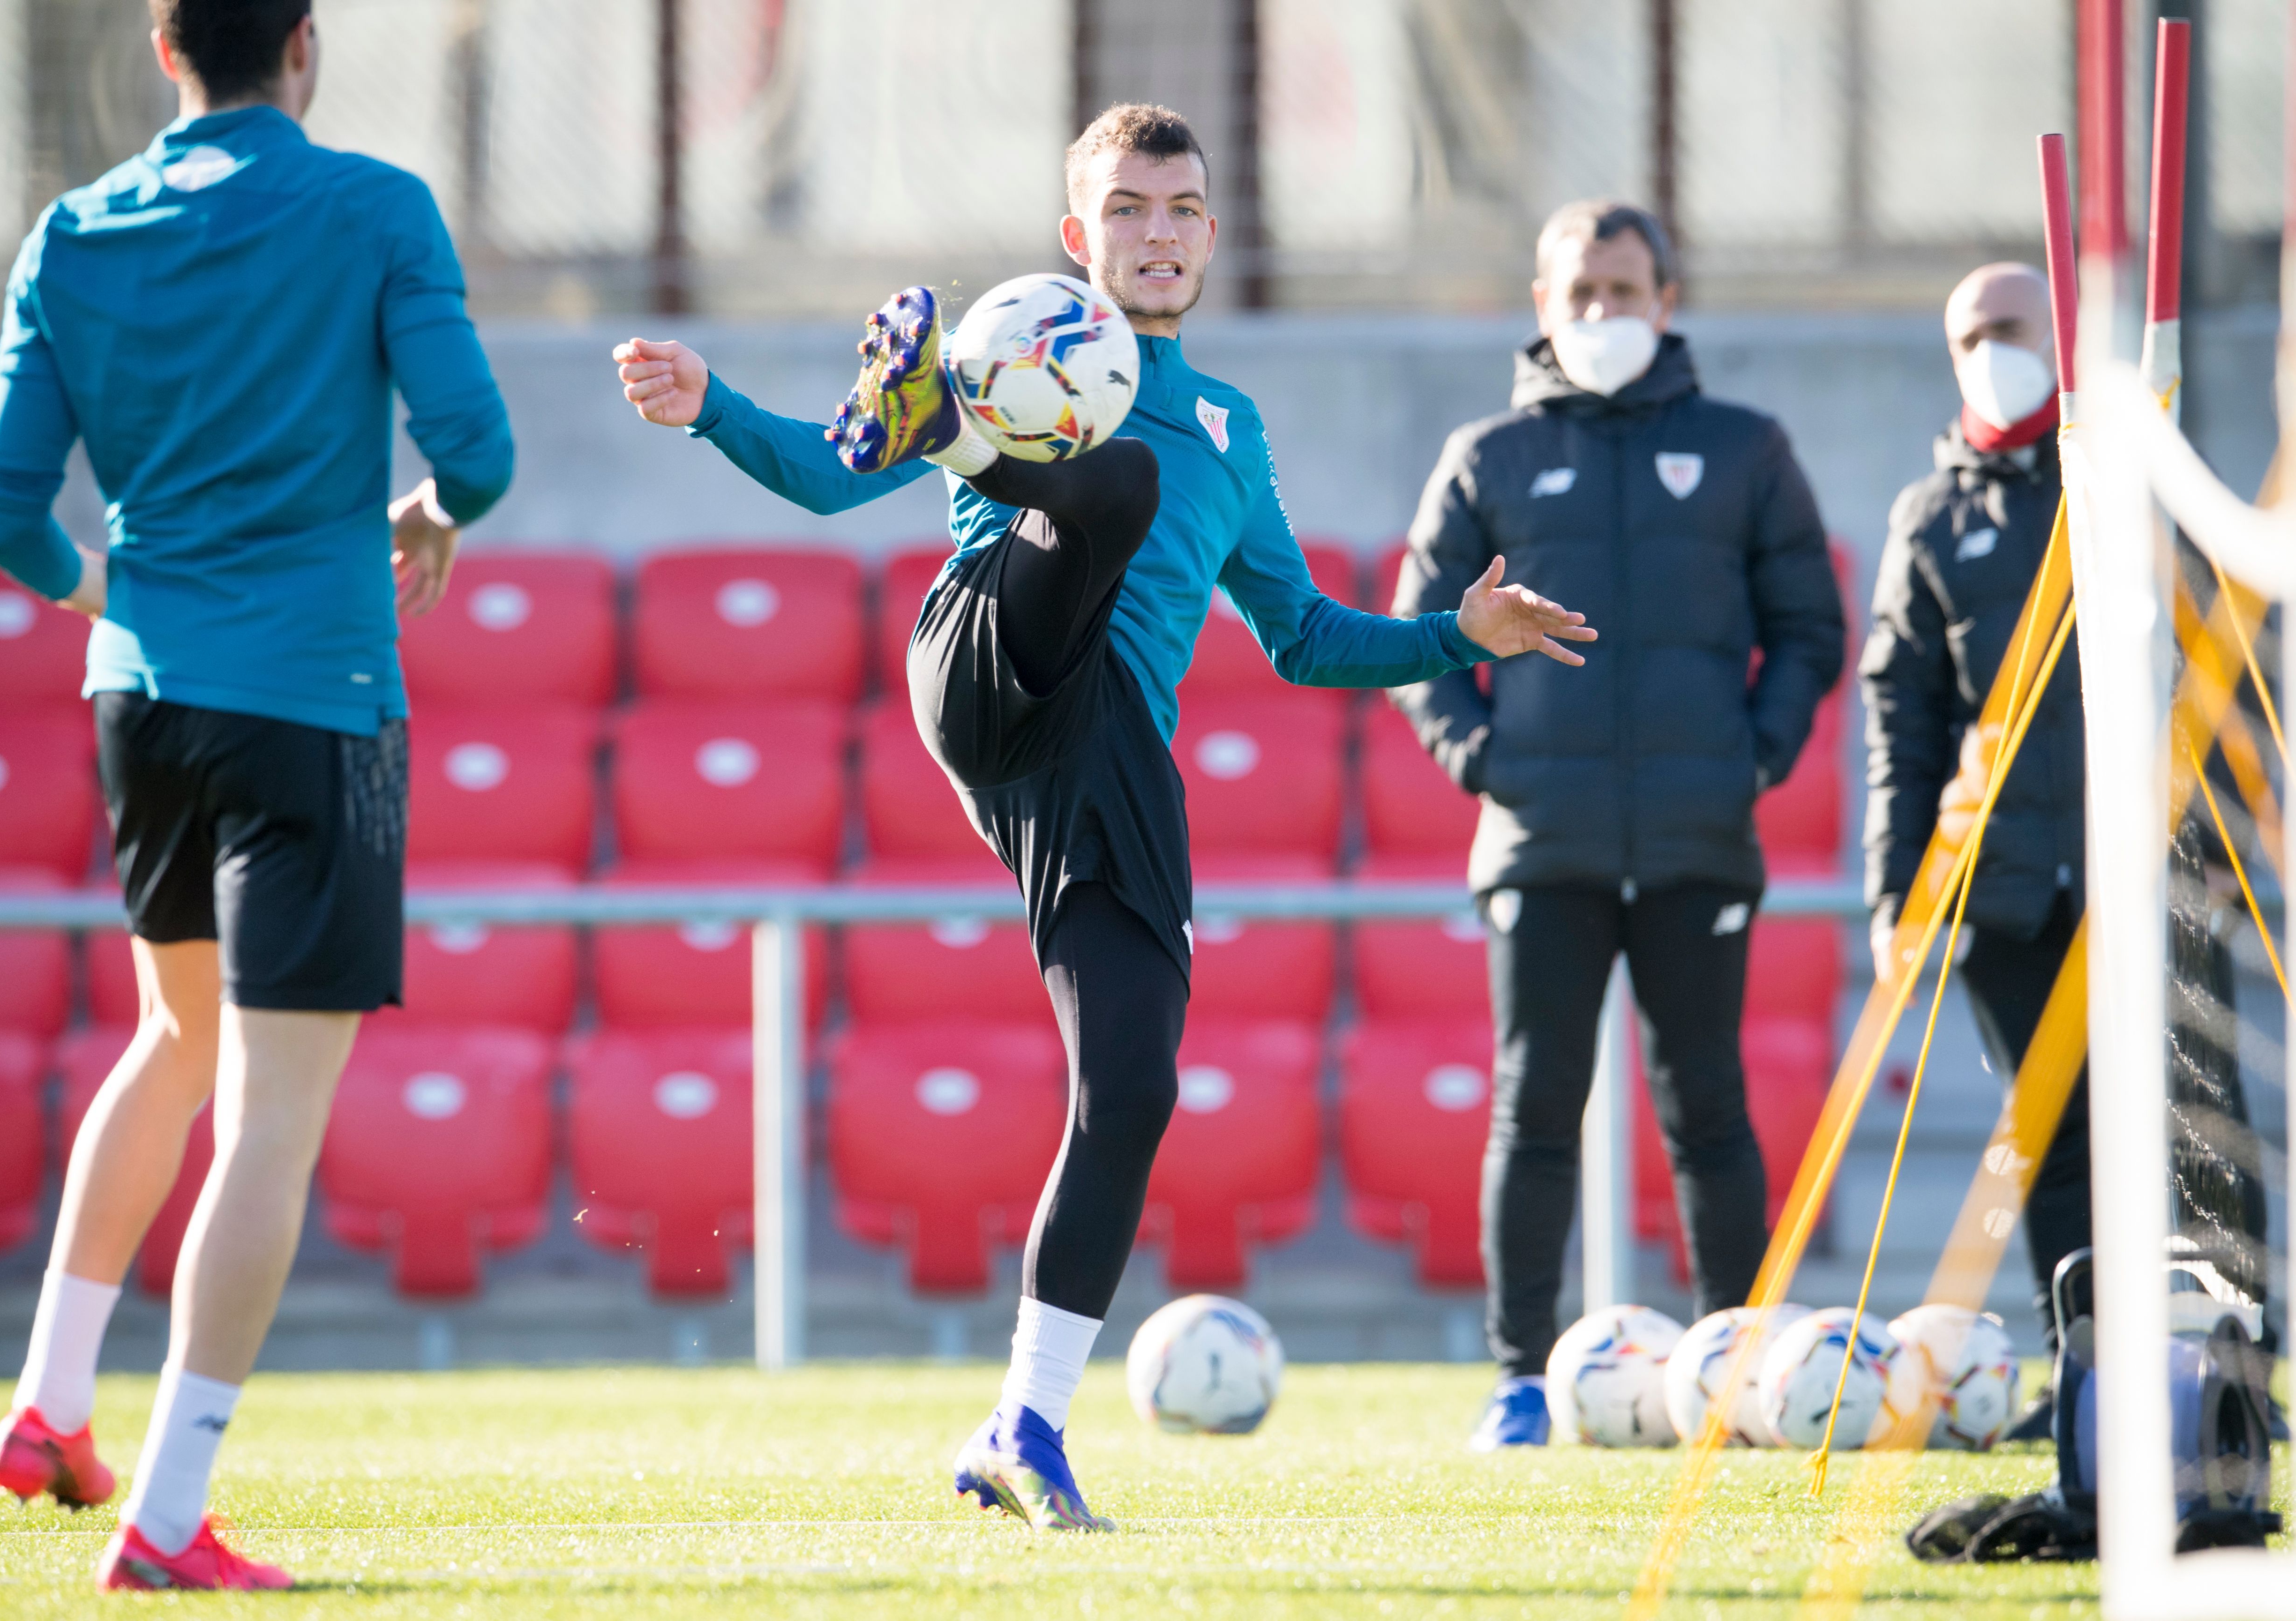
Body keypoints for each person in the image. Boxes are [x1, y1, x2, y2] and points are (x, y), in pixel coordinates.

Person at [615, 102, 1594, 1529]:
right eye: (1127, 209)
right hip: (988, 650)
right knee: (1111, 483)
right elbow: (832, 473)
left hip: (1102, 755)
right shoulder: (1012, 338)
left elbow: (1306, 637)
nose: (1157, 232)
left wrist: (1459, 630)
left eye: (1182, 209)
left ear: (1208, 232)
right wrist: (709, 404)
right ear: (1079, 238)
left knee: (1131, 1087)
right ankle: (958, 448)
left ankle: (1023, 1422)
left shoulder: (1228, 425)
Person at [0, 0, 512, 1590]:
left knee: (173, 1042)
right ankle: (164, 1513)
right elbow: (476, 455)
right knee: (272, 1117)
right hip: (313, 699)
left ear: (163, 48)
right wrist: (421, 510)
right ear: (308, 45)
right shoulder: (373, 208)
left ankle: (47, 1413)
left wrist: (106, 597)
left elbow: (7, 517)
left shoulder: (70, 231)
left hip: (142, 698)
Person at [1389, 200, 1844, 1449]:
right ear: (1542, 303)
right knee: (1533, 1102)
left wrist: (1753, 751)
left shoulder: (1744, 449)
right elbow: (1416, 638)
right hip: (1541, 838)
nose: (1600, 313)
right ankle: (1517, 1381)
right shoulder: (1484, 456)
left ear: (1664, 294)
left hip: (1699, 838)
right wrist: (1481, 760)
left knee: (1706, 1102)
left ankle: (1736, 1369)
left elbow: (1808, 626)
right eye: (1578, 292)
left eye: (1623, 289)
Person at [1865, 261, 2272, 1439]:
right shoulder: (1929, 519)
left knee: (2201, 1125)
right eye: (1975, 333)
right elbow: (1903, 725)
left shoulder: (2142, 479)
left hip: (2155, 872)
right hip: (2008, 886)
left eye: (2017, 327)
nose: (1997, 348)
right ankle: (2085, 1373)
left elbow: (2233, 668)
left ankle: (2236, 1377)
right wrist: (1902, 894)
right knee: (2052, 1140)